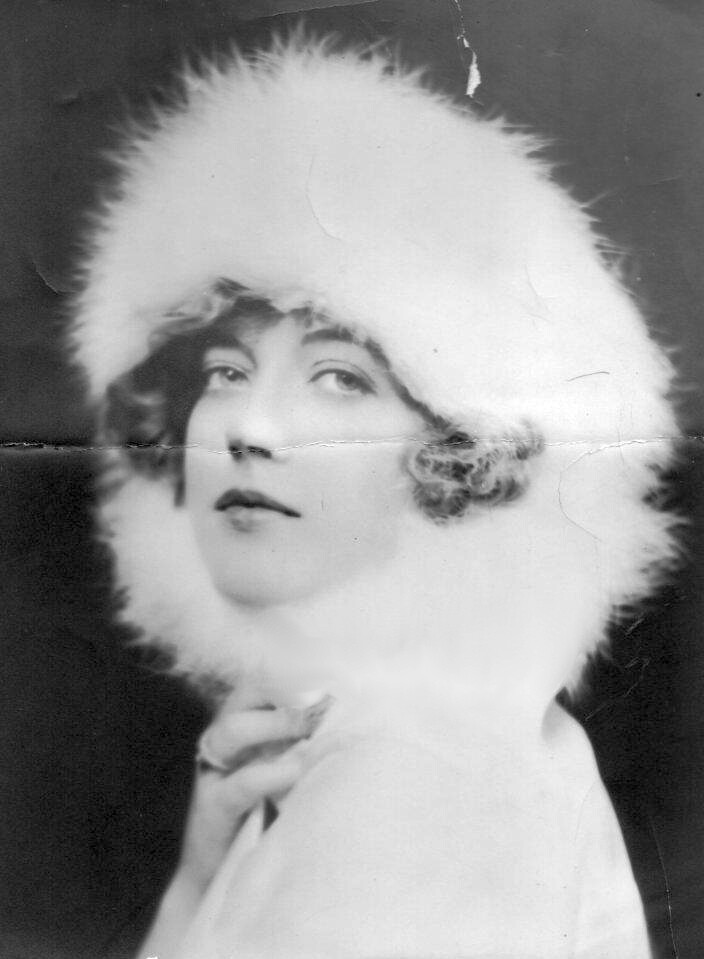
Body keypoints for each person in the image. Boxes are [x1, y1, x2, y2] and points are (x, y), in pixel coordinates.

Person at [70, 37, 679, 958]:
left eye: (341, 379)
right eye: (227, 369)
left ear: (454, 458)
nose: (251, 427)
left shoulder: (419, 782)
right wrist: (203, 874)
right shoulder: (414, 733)